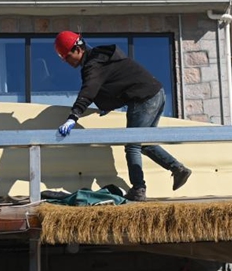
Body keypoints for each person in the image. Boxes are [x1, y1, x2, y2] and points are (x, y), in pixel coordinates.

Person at [53, 30, 192, 202]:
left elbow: (89, 90)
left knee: (132, 145)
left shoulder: (94, 64)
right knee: (145, 144)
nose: (67, 62)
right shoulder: (101, 59)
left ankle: (138, 189)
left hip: (143, 98)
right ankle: (178, 169)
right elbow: (113, 82)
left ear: (77, 49)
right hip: (156, 93)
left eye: (67, 57)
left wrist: (73, 117)